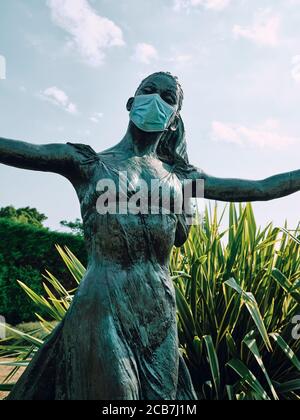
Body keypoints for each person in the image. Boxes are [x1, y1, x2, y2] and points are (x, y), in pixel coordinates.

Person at [0, 71, 299, 400]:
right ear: (131, 103)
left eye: (168, 98)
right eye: (148, 91)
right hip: (103, 305)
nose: (155, 100)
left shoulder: (182, 179)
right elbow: (16, 150)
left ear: (173, 120)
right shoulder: (87, 163)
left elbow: (259, 188)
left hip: (159, 313)